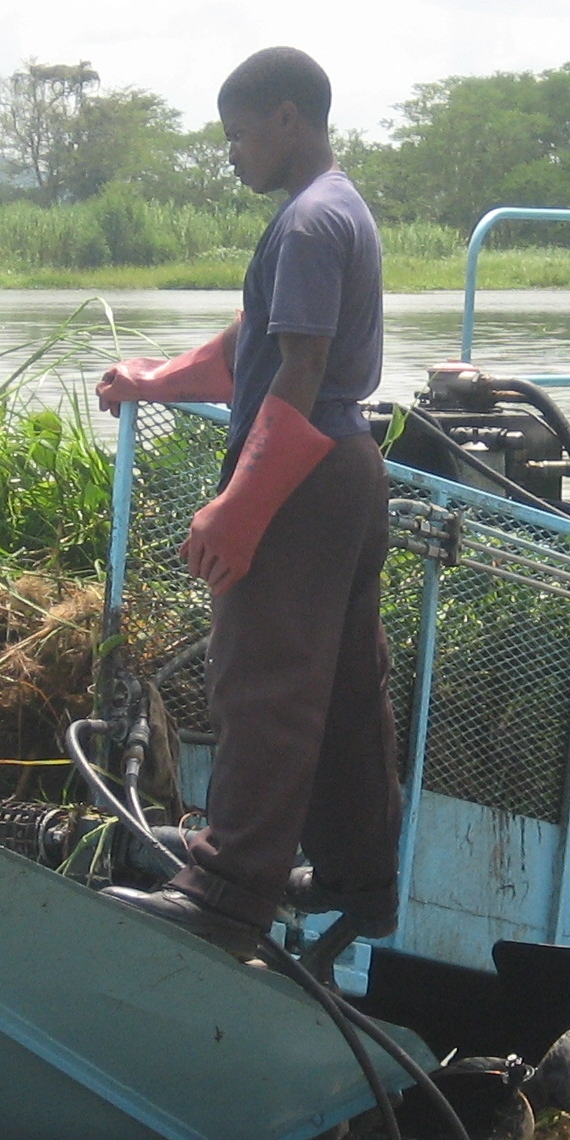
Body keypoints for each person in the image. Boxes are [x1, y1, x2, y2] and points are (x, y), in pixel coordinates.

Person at [93, 47, 400, 958]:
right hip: (349, 469)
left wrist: (239, 506)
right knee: (345, 689)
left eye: (238, 135)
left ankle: (230, 892)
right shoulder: (330, 210)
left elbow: (299, 372)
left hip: (306, 473)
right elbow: (246, 347)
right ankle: (358, 878)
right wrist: (153, 378)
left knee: (263, 680)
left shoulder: (309, 224)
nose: (231, 154)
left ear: (288, 117)